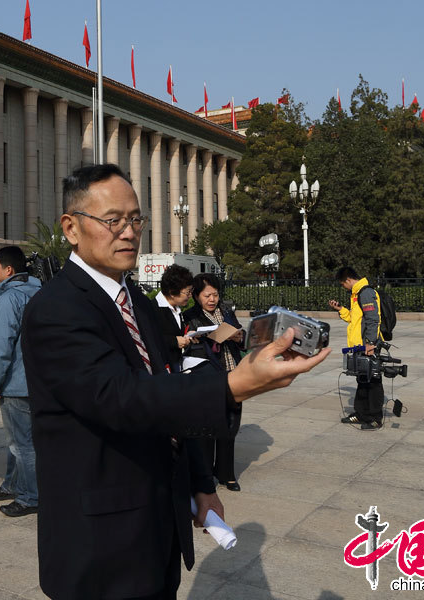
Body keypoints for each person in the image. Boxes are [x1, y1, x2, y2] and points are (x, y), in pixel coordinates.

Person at [21, 164, 331, 599]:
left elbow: (167, 396)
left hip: (158, 522)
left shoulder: (140, 306)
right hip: (99, 542)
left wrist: (201, 484)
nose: (128, 232)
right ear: (71, 228)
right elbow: (119, 397)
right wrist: (230, 387)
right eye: (113, 220)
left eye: (135, 219)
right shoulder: (56, 310)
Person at [0, 246, 41, 517]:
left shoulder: (9, 300)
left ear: (8, 270)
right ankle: (12, 484)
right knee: (19, 441)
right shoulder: (40, 293)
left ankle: (30, 497)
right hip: (38, 381)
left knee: (22, 444)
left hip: (17, 382)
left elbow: (0, 347)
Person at [183, 273, 247, 492]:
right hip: (208, 376)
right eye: (207, 295)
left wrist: (238, 337)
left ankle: (227, 474)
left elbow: (242, 335)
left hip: (233, 373)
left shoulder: (227, 311)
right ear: (197, 296)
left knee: (230, 425)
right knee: (208, 427)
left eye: (215, 294)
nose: (212, 299)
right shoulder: (190, 316)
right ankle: (206, 473)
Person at [329, 266, 383, 430]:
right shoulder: (357, 294)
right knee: (362, 380)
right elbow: (355, 319)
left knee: (373, 381)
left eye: (342, 284)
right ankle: (361, 413)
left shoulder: (365, 293)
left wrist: (371, 343)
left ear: (348, 280)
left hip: (368, 345)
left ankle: (375, 418)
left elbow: (373, 319)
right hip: (360, 345)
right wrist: (341, 310)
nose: (343, 287)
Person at [150, 264, 195, 370]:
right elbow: (150, 338)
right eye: (187, 292)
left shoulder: (177, 308)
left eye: (190, 291)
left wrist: (188, 334)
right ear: (172, 292)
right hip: (162, 366)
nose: (190, 296)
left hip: (177, 363)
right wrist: (174, 341)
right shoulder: (152, 309)